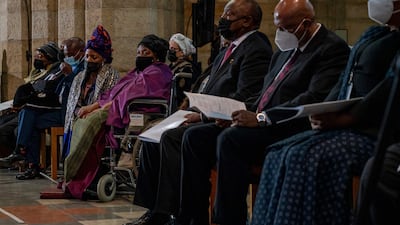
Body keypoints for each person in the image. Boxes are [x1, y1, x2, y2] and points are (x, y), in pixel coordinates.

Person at [179, 0, 352, 224]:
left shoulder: (330, 49)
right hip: (261, 121)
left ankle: (229, 219)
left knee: (231, 139)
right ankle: (192, 218)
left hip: (289, 125)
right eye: (277, 26)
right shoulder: (284, 51)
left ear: (306, 23)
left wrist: (262, 118)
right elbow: (263, 95)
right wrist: (233, 113)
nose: (279, 33)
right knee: (195, 136)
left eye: (284, 28)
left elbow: (313, 98)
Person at [250, 1, 400, 225]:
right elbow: (344, 78)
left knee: (305, 157)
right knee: (278, 152)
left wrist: (347, 117)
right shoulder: (375, 33)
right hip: (345, 122)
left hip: (372, 127)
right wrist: (326, 109)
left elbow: (387, 89)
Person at [127, 1, 273, 225]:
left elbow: (246, 96)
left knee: (174, 138)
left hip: (226, 120)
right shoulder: (230, 48)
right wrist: (193, 107)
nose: (222, 19)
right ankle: (156, 211)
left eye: (229, 15)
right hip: (205, 113)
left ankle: (179, 214)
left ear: (247, 21)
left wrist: (203, 115)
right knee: (150, 139)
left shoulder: (256, 48)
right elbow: (210, 86)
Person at [62, 34, 172, 200]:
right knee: (83, 117)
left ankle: (78, 174)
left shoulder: (158, 72)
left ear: (156, 55)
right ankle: (76, 174)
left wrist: (105, 107)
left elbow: (132, 94)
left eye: (145, 53)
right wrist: (92, 106)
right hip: (117, 106)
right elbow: (114, 93)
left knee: (91, 122)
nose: (140, 56)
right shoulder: (137, 71)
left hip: (137, 110)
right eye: (139, 52)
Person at [0, 41, 64, 168]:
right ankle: (31, 165)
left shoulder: (59, 71)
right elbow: (29, 89)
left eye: (40, 56)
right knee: (27, 118)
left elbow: (45, 92)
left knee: (27, 116)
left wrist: (26, 100)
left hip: (57, 112)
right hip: (41, 110)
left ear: (51, 56)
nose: (36, 59)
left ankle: (21, 154)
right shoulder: (39, 72)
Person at [62, 25, 120, 160]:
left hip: (98, 120)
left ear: (103, 58)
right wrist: (78, 112)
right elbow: (72, 103)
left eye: (94, 57)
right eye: (87, 56)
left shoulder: (112, 75)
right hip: (79, 117)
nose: (89, 60)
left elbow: (108, 101)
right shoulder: (79, 77)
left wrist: (89, 112)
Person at [167, 33, 199, 113]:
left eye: (174, 49)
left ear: (182, 52)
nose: (171, 51)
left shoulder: (187, 68)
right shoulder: (171, 66)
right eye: (170, 48)